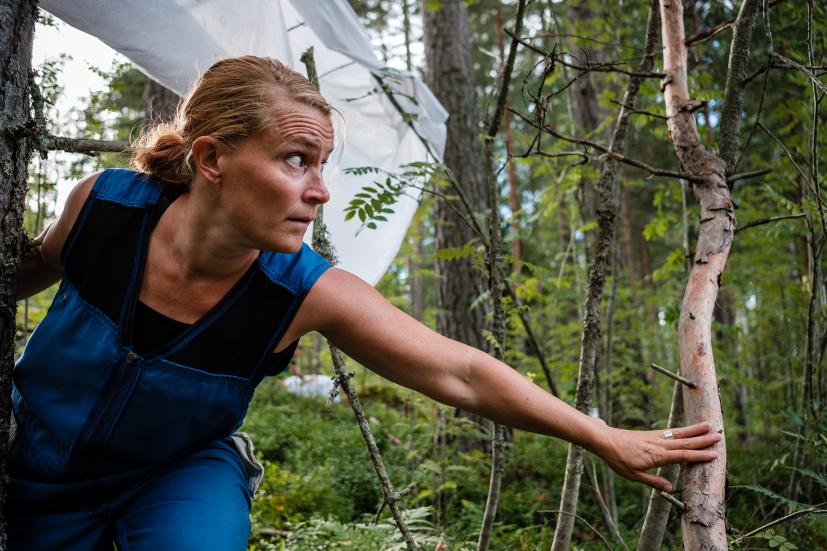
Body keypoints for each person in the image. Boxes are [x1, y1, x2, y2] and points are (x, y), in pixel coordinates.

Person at [9, 56, 720, 550]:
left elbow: (461, 372)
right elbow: (28, 269)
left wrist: (600, 435)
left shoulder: (306, 292)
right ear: (212, 158)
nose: (319, 191)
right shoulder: (103, 208)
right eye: (296, 159)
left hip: (178, 475)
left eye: (323, 166)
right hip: (39, 471)